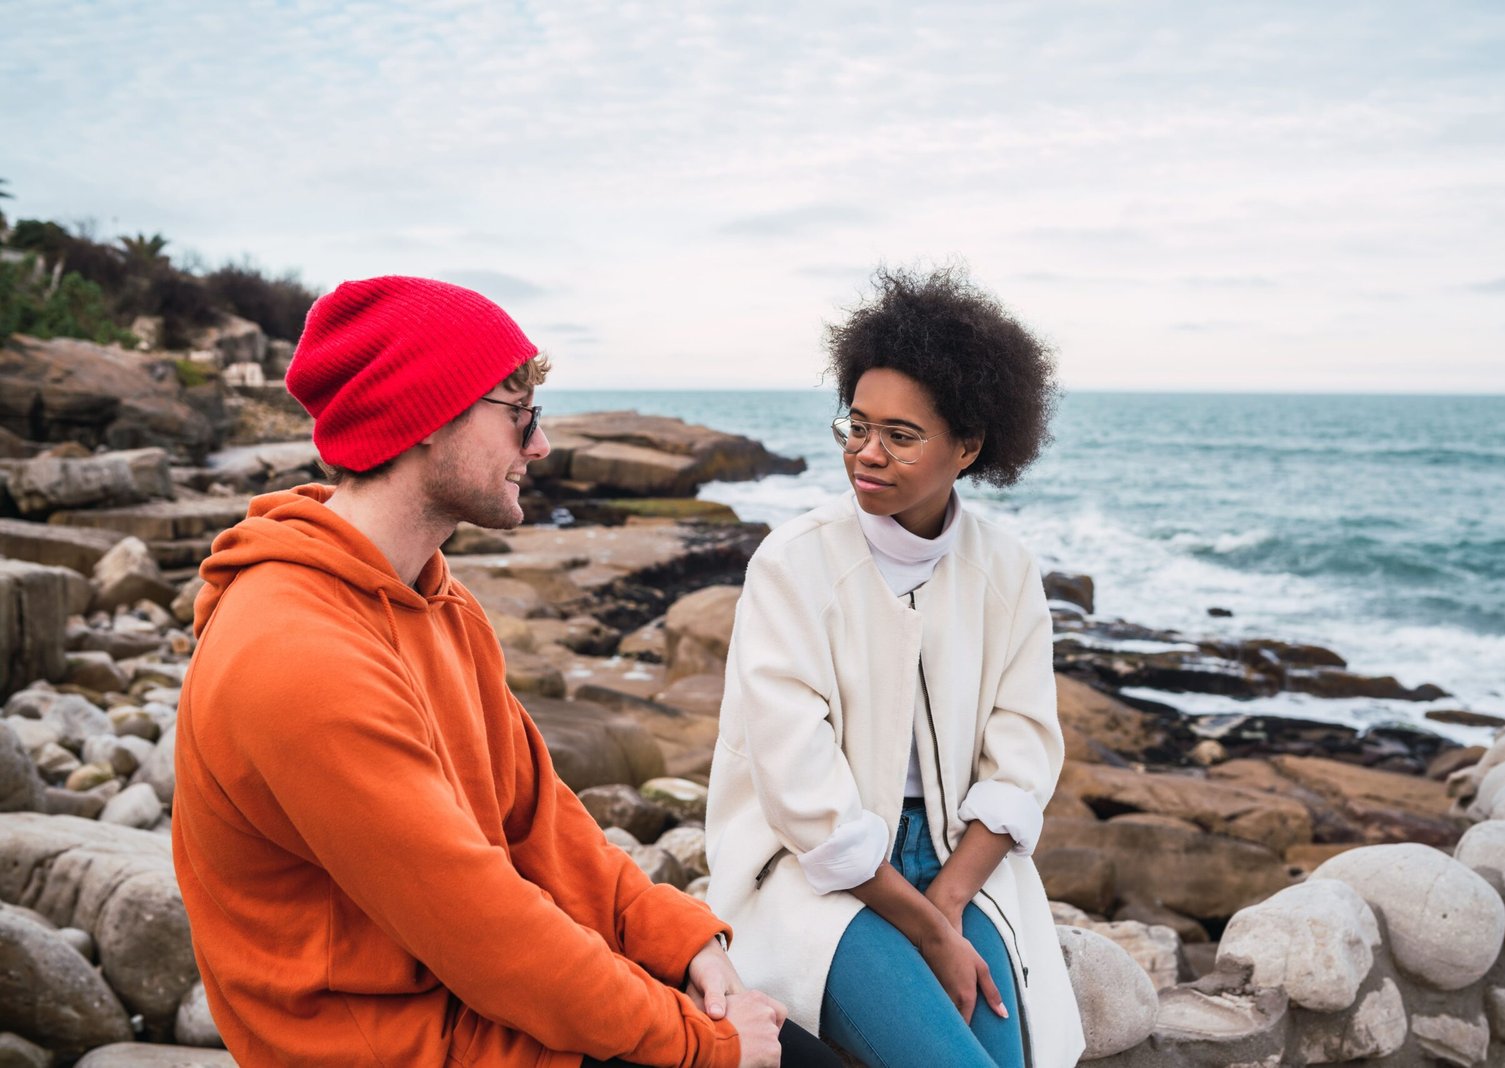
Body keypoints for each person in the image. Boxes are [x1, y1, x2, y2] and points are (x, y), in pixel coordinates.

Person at [172, 276, 838, 1068]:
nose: (540, 444)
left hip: (473, 1003)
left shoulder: (438, 602)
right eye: (518, 412)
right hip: (394, 1043)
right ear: (423, 416)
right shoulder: (298, 655)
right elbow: (482, 927)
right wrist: (705, 1046)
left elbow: (536, 819)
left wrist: (682, 942)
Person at [705, 266, 1087, 1068]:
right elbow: (803, 796)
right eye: (856, 426)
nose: (866, 454)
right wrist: (930, 931)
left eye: (900, 436)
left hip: (960, 860)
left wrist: (949, 898)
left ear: (969, 448)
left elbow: (1023, 755)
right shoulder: (793, 564)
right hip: (814, 876)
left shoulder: (1005, 569)